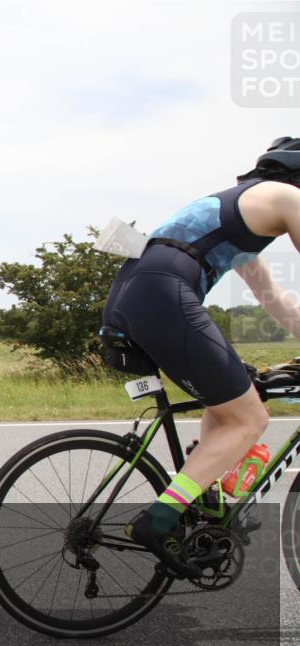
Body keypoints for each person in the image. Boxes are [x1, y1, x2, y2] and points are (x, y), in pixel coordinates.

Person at [101, 136, 300, 577]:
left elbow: (280, 305)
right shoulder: (288, 197)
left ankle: (203, 505)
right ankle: (157, 521)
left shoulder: (242, 213)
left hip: (135, 291)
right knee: (249, 419)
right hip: (163, 292)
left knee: (232, 399)